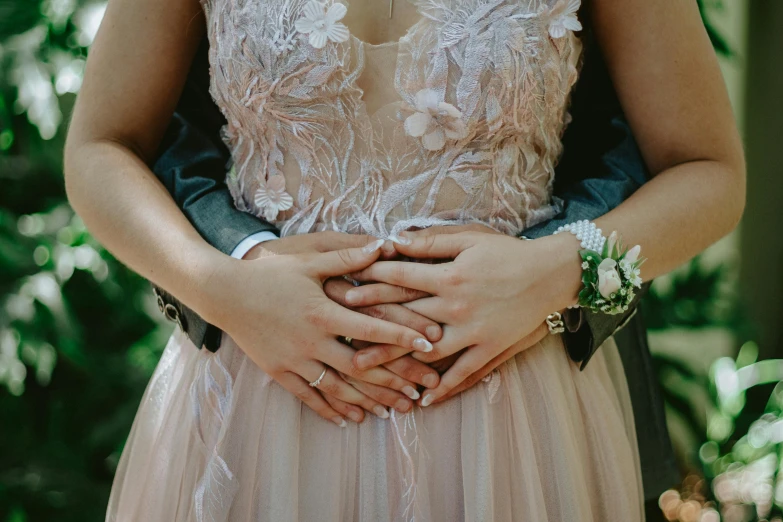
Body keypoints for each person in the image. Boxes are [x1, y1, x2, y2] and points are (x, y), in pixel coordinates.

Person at [63, 0, 745, 520]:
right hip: (257, 391)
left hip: (508, 418)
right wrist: (222, 285)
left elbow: (706, 172)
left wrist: (555, 272)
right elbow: (101, 147)